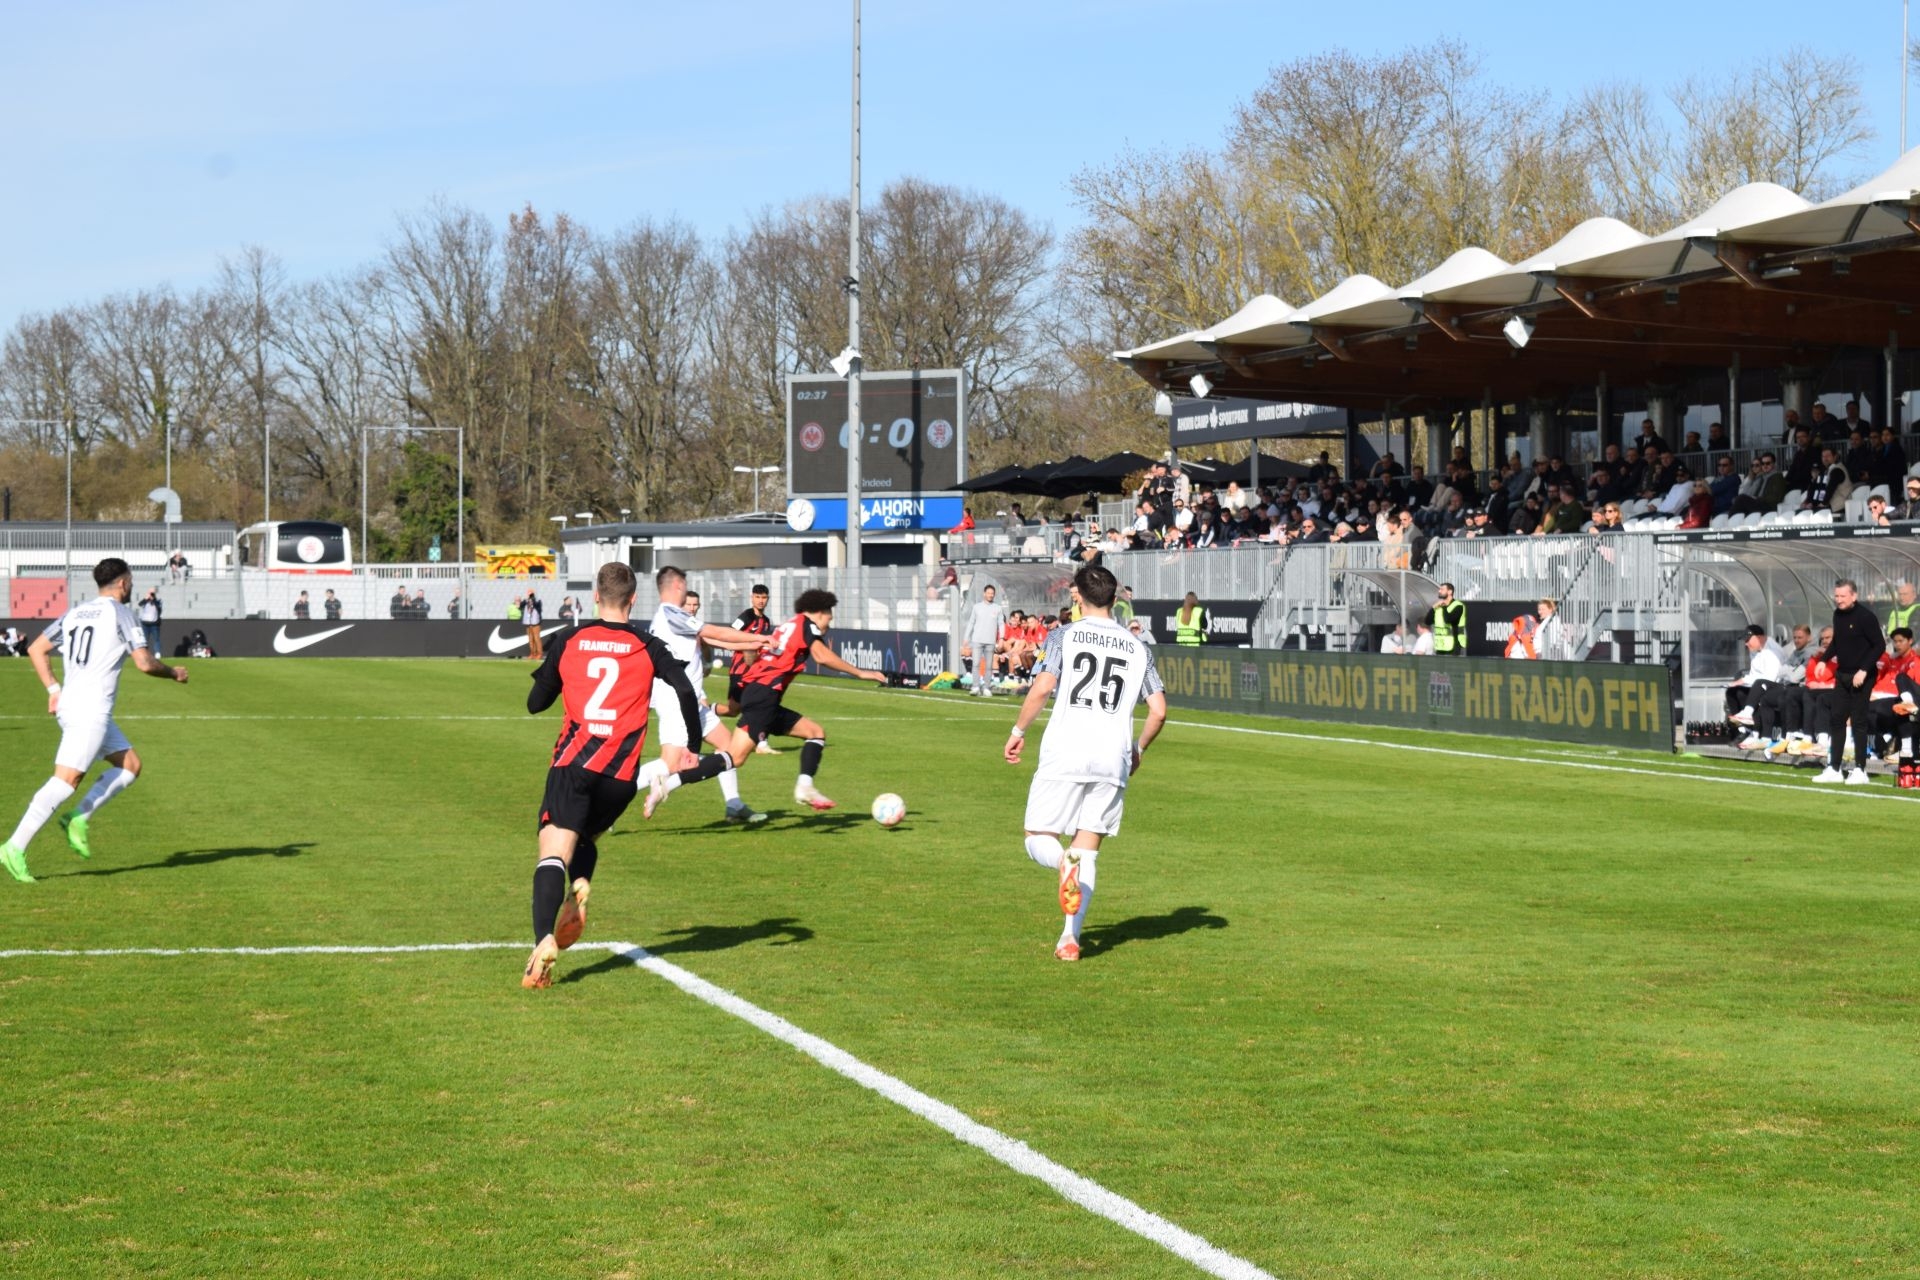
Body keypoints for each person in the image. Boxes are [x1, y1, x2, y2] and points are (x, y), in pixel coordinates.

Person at [518, 561, 715, 989]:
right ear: (633, 599)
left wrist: (559, 679)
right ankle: (580, 884)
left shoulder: (570, 639)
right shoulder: (648, 645)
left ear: (595, 596)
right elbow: (685, 689)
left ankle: (543, 940)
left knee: (553, 850)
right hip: (620, 777)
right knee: (585, 838)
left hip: (574, 765)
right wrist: (693, 745)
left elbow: (535, 703)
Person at [1003, 564, 1168, 963]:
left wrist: (1019, 731)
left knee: (1036, 836)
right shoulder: (1137, 647)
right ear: (1114, 597)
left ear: (1077, 594)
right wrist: (1138, 750)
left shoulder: (1064, 635)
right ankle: (1069, 939)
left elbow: (1042, 687)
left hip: (1066, 749)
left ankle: (1062, 862)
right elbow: (1159, 710)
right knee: (1087, 850)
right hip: (1113, 757)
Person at [1, 558, 190, 883]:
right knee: (66, 781)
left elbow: (36, 648)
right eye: (130, 581)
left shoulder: (76, 613)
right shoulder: (121, 614)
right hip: (90, 711)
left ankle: (78, 817)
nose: (130, 586)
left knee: (130, 766)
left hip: (76, 705)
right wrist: (174, 673)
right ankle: (13, 847)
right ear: (123, 582)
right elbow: (145, 663)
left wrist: (53, 689)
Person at [686, 588, 885, 813]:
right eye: (829, 616)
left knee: (814, 733)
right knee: (735, 756)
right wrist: (860, 673)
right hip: (761, 690)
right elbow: (821, 655)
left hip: (757, 688)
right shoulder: (803, 624)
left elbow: (760, 651)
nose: (829, 621)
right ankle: (671, 777)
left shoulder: (785, 624)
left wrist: (752, 651)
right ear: (820, 612)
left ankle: (800, 786)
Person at [645, 566, 771, 825]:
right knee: (670, 764)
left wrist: (753, 643)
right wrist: (757, 637)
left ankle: (734, 805)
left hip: (692, 702)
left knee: (729, 748)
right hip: (678, 703)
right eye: (685, 585)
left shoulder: (669, 616)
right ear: (678, 586)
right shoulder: (670, 614)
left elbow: (714, 640)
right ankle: (609, 796)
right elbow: (713, 632)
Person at [1816, 578, 1884, 785]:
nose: (1839, 600)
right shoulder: (1838, 615)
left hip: (1862, 676)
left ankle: (1860, 769)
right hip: (1843, 675)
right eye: (1836, 596)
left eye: (1843, 596)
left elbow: (1879, 645)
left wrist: (1863, 670)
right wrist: (1824, 660)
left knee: (1859, 721)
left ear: (1854, 596)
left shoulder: (1866, 617)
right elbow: (1837, 642)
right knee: (1836, 719)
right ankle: (1834, 768)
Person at [715, 584, 775, 725]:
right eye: (757, 597)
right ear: (752, 598)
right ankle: (704, 711)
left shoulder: (766, 622)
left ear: (768, 599)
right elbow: (730, 633)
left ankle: (755, 735)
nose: (761, 600)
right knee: (733, 710)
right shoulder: (746, 616)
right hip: (740, 670)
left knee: (757, 704)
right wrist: (746, 646)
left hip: (756, 670)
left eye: (764, 597)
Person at [964, 584, 1007, 697]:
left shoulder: (997, 608)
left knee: (989, 666)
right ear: (984, 594)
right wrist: (966, 637)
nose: (990, 595)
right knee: (976, 664)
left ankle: (986, 687)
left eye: (992, 593)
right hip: (977, 640)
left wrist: (1001, 638)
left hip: (990, 641)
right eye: (988, 593)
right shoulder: (977, 607)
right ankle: (975, 686)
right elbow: (971, 623)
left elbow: (1001, 624)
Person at [1429, 582, 1466, 655]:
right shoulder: (1438, 607)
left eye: (1442, 589)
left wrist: (1444, 607)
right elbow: (1428, 621)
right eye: (1439, 589)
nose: (1439, 591)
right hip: (1441, 645)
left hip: (1455, 644)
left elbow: (1448, 620)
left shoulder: (1458, 606)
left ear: (1450, 592)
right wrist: (1433, 608)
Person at [136, 587, 162, 655]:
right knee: (145, 639)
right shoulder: (145, 600)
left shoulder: (158, 600)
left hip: (154, 623)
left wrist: (153, 599)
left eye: (153, 593)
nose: (151, 594)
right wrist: (146, 599)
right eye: (150, 593)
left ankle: (157, 653)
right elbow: (140, 604)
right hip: (145, 623)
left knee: (156, 639)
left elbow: (159, 608)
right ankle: (145, 653)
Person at [522, 590, 546, 661]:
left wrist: (532, 601)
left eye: (531, 594)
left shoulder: (537, 601)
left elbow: (538, 606)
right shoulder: (526, 601)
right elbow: (520, 606)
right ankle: (532, 653)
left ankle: (539, 654)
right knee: (530, 639)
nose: (529, 596)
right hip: (528, 623)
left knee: (536, 639)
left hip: (535, 623)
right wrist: (526, 600)